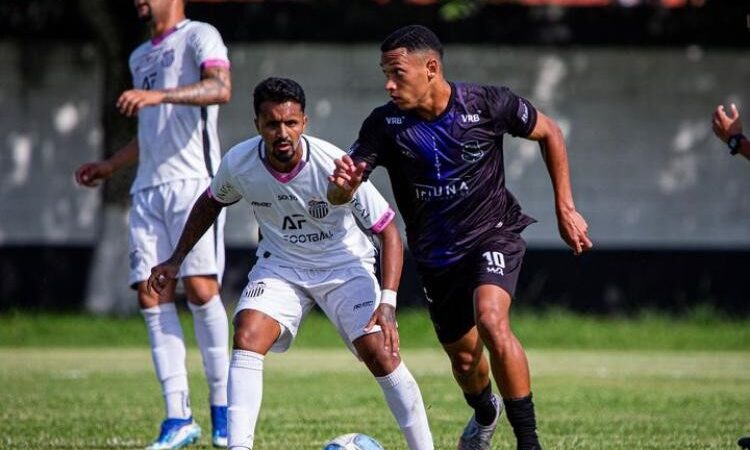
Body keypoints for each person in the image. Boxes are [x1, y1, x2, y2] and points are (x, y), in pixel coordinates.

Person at [328, 25, 593, 450]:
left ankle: (529, 442)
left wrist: (566, 208)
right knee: (465, 359)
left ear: (431, 67)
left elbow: (550, 133)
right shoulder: (385, 124)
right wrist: (342, 187)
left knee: (491, 319)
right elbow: (342, 189)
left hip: (493, 234)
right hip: (436, 258)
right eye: (385, 74)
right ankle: (486, 412)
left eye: (397, 73)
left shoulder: (486, 104)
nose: (388, 84)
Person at [148, 77, 434, 450]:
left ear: (304, 122)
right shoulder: (240, 163)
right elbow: (210, 202)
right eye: (272, 124)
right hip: (281, 266)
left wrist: (388, 301)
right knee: (248, 333)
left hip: (344, 266)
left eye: (291, 123)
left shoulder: (335, 165)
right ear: (258, 125)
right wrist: (175, 258)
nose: (282, 132)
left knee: (381, 354)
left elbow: (388, 230)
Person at [74, 0, 232, 448]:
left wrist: (159, 95)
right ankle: (178, 416)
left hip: (194, 184)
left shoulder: (201, 35)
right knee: (150, 293)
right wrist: (110, 165)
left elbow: (220, 88)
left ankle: (222, 412)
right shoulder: (140, 55)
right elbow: (152, 133)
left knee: (201, 289)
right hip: (148, 188)